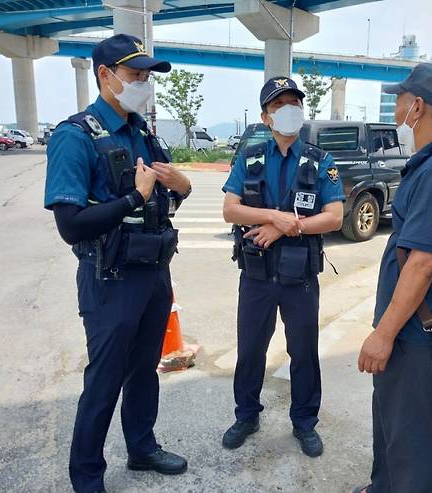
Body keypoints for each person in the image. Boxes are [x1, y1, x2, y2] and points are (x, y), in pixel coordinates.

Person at [44, 34, 192, 493]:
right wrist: (133, 195)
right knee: (105, 379)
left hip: (152, 272)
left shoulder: (142, 133)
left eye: (147, 76)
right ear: (105, 75)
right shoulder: (75, 137)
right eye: (135, 75)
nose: (143, 84)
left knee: (145, 368)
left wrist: (182, 185)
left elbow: (163, 200)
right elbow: (71, 224)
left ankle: (142, 448)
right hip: (109, 277)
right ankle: (87, 477)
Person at [352, 63, 432, 493]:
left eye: (399, 100)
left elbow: (423, 264)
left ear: (418, 107)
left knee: (413, 446)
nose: (395, 109)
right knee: (391, 430)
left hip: (414, 336)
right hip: (409, 331)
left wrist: (383, 334)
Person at [221, 76, 345, 457]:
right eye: (279, 105)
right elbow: (231, 210)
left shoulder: (321, 160)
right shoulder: (251, 157)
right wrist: (275, 217)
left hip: (299, 278)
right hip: (257, 275)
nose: (288, 110)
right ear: (266, 117)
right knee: (250, 350)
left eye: (294, 103)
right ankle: (246, 415)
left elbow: (335, 217)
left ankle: (304, 422)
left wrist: (288, 228)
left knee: (303, 351)